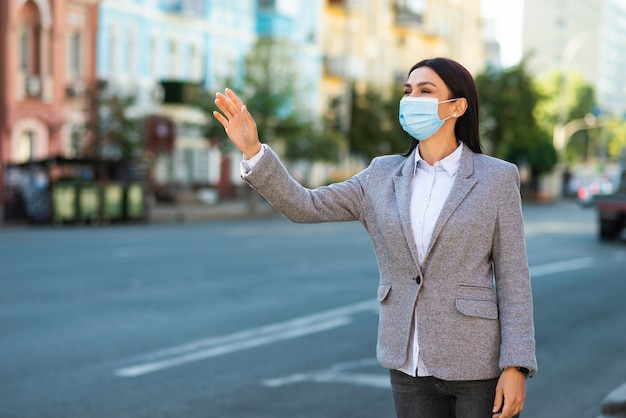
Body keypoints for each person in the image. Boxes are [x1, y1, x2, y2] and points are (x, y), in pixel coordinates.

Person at [213, 57, 537, 418]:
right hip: (406, 361)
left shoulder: (497, 178)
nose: (412, 99)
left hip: (477, 362)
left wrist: (516, 365)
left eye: (425, 91)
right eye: (407, 91)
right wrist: (254, 151)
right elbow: (305, 205)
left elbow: (513, 278)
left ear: (457, 106)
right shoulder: (381, 174)